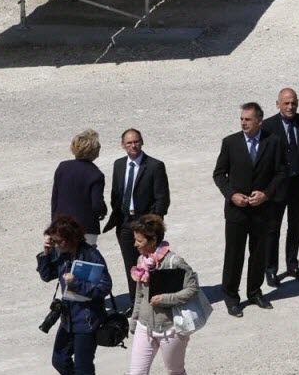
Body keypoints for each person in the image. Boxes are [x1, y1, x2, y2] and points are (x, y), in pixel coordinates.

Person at [212, 102, 283, 317]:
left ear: (259, 121)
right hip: (237, 211)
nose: (243, 122)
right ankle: (231, 297)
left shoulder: (273, 142)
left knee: (258, 253)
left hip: (262, 210)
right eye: (242, 119)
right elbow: (219, 174)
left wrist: (266, 194)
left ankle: (254, 291)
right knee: (234, 254)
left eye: (248, 119)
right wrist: (231, 194)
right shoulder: (230, 143)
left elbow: (281, 173)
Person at [38, 213, 114, 375]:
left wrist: (77, 284)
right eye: (54, 241)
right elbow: (46, 276)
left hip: (87, 320)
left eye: (58, 241)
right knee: (59, 359)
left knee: (83, 367)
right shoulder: (61, 254)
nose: (56, 245)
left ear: (71, 238)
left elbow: (105, 287)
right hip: (68, 318)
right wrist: (46, 254)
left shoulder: (91, 255)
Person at [127, 214, 199, 375]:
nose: (135, 244)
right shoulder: (142, 261)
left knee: (175, 371)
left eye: (139, 241)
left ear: (152, 240)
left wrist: (166, 299)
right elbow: (140, 294)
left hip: (171, 329)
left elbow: (193, 288)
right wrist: (135, 320)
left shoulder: (174, 262)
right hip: (144, 327)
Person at [103, 129, 170, 297]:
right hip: (125, 222)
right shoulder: (119, 165)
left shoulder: (155, 166)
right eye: (129, 143)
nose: (133, 145)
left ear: (142, 142)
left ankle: (153, 298)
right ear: (123, 145)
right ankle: (135, 302)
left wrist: (153, 223)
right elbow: (116, 193)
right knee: (130, 264)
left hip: (145, 223)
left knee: (150, 263)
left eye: (136, 141)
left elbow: (162, 198)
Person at [262, 87, 299, 287]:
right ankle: (271, 268)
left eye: (293, 103)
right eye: (286, 103)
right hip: (276, 189)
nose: (290, 106)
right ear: (278, 104)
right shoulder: (268, 127)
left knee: (295, 227)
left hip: (298, 186)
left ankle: (292, 264)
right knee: (273, 229)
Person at [53, 129, 108, 247]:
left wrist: (54, 223)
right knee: (83, 263)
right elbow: (97, 204)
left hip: (61, 226)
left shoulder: (63, 167)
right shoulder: (95, 174)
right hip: (85, 227)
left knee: (61, 261)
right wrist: (103, 211)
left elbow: (55, 199)